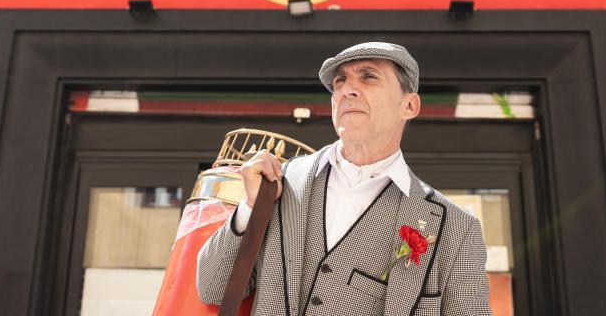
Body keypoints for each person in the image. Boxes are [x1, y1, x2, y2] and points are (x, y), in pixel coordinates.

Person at [197, 42, 492, 315]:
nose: (347, 89)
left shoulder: (456, 228)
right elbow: (212, 288)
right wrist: (251, 207)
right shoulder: (279, 184)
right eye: (340, 81)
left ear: (409, 106)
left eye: (368, 77)